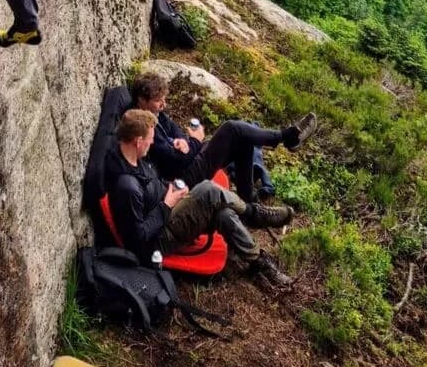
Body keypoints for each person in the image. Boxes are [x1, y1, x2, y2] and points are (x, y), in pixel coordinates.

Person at [104, 109, 295, 288]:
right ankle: (253, 214)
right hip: (160, 239)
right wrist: (166, 204)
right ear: (138, 141)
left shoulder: (136, 159)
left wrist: (173, 191)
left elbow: (154, 187)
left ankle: (258, 262)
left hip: (170, 211)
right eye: (149, 140)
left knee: (223, 213)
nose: (151, 144)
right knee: (208, 190)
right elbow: (138, 239)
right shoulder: (126, 186)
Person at [131, 72, 316, 204]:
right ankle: (286, 137)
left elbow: (175, 130)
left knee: (243, 141)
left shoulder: (155, 114)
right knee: (231, 128)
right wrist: (194, 141)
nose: (163, 104)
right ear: (142, 100)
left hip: (188, 160)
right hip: (183, 178)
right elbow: (175, 162)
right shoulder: (142, 129)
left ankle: (248, 201)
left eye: (164, 99)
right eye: (158, 101)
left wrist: (183, 141)